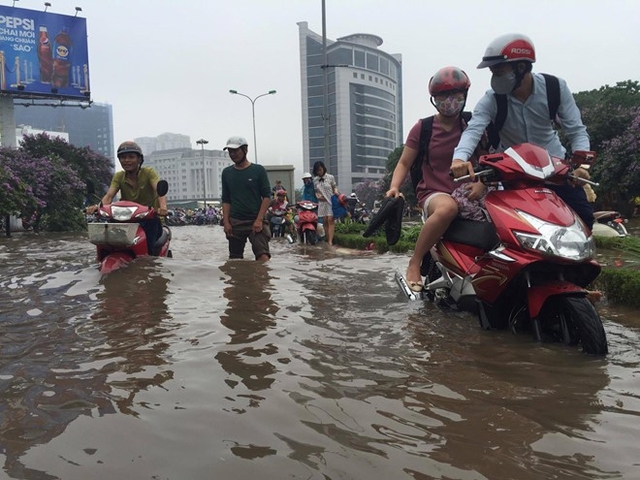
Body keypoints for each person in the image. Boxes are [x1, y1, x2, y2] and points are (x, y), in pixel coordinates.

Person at [450, 33, 594, 229]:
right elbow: (473, 130)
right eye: (492, 71)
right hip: (514, 173)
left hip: (556, 168)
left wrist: (582, 168)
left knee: (583, 219)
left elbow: (576, 130)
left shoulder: (555, 88)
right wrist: (459, 158)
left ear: (521, 67)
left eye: (499, 69)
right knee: (515, 228)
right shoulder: (492, 99)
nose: (494, 75)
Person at [386, 66, 486, 292]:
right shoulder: (424, 128)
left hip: (471, 191)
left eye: (456, 95)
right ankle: (415, 262)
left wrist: (482, 183)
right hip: (434, 192)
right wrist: (394, 187)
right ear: (434, 99)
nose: (450, 101)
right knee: (447, 209)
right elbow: (404, 162)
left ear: (465, 96)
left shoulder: (473, 125)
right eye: (443, 96)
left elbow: (488, 158)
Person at [88, 141, 168, 255]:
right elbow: (109, 195)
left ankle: (149, 264)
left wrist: (163, 207)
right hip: (125, 220)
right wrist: (98, 207)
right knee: (107, 243)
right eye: (123, 157)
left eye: (131, 157)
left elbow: (159, 191)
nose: (127, 160)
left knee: (149, 252)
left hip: (148, 219)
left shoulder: (149, 172)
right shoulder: (119, 176)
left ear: (139, 159)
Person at [221, 136, 271, 261]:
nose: (232, 154)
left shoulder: (258, 170)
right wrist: (226, 222)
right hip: (236, 222)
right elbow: (226, 200)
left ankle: (262, 280)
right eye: (230, 151)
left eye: (235, 151)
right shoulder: (227, 173)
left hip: (255, 220)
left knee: (263, 256)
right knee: (235, 261)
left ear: (245, 150)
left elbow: (266, 196)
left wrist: (259, 220)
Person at [312, 161, 339, 246]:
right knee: (324, 221)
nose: (319, 172)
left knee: (330, 219)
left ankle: (330, 241)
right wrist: (318, 196)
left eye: (320, 170)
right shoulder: (315, 180)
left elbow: (334, 187)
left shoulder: (330, 177)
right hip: (322, 202)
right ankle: (328, 239)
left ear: (323, 168)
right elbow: (316, 191)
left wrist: (336, 193)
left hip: (331, 200)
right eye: (317, 171)